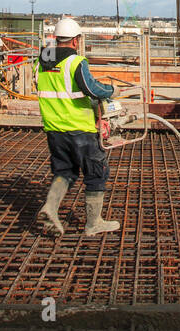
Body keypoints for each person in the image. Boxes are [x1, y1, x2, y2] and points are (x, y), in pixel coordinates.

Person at [35, 15, 120, 238]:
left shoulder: (43, 59)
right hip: (79, 128)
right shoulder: (75, 62)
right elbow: (91, 89)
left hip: (54, 128)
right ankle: (93, 224)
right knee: (96, 172)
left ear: (56, 38)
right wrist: (111, 91)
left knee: (65, 171)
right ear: (75, 40)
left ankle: (50, 208)